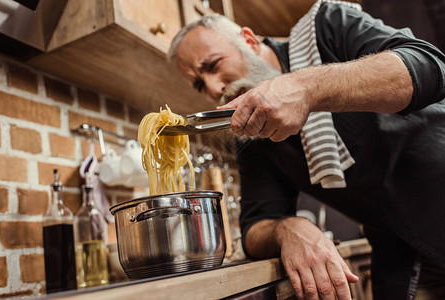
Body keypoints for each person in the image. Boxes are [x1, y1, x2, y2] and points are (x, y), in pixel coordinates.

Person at [167, 0, 445, 299]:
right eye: (198, 85)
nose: (212, 87)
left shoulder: (327, 23)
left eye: (213, 65)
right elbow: (255, 226)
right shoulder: (251, 135)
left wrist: (307, 89)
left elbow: (429, 66)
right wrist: (288, 229)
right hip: (400, 256)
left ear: (249, 40)